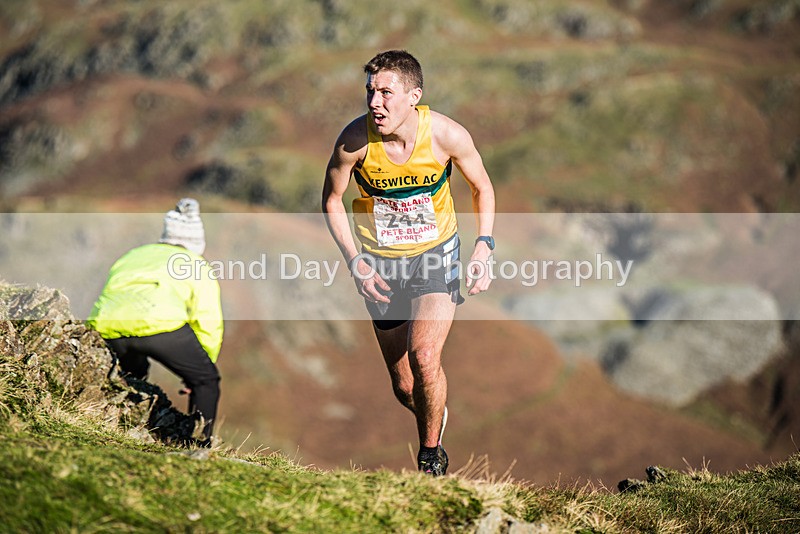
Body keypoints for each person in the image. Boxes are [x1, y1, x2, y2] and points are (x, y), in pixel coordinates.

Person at [322, 50, 496, 476]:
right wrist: (356, 264)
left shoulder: (446, 136)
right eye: (370, 92)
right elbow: (331, 201)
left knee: (424, 356)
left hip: (436, 257)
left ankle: (431, 456)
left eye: (386, 93)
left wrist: (484, 247)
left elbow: (482, 187)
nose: (374, 103)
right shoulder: (353, 142)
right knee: (405, 386)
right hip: (382, 267)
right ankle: (433, 411)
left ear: (414, 96)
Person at [87, 198, 224, 447]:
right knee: (207, 381)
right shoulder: (195, 264)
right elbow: (208, 321)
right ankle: (197, 445)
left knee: (131, 373)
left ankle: (113, 422)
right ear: (196, 241)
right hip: (159, 325)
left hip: (108, 325)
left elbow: (110, 291)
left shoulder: (134, 254)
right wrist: (200, 368)